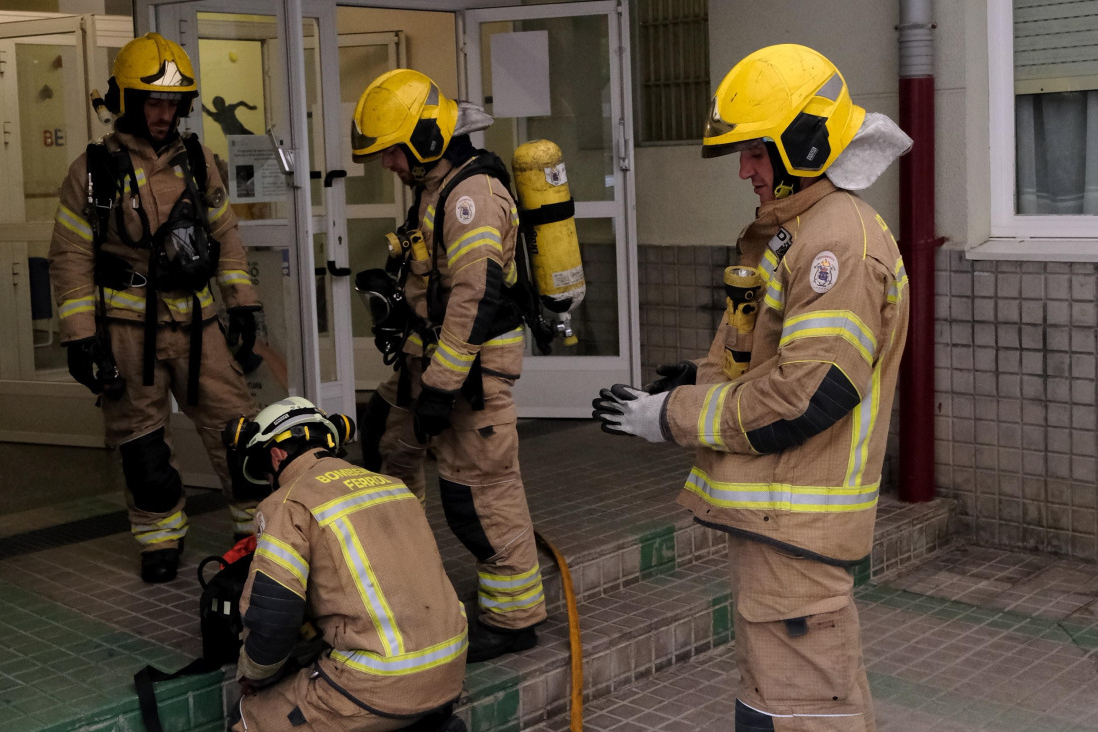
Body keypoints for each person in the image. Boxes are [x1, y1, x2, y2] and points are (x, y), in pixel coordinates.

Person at [592, 44, 913, 731]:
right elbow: (781, 360)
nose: (745, 171)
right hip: (783, 525)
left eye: (756, 152)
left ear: (804, 144)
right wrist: (694, 379)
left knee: (798, 714)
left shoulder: (836, 245)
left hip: (796, 527)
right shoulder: (806, 232)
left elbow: (808, 395)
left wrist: (671, 415)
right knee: (793, 706)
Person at [49, 32, 267, 584]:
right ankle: (160, 538)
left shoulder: (198, 160)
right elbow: (71, 256)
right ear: (126, 101)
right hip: (128, 331)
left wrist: (243, 305)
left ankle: (259, 531)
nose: (165, 114)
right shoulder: (92, 171)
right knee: (141, 444)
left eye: (173, 103)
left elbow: (226, 234)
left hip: (200, 326)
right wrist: (80, 336)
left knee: (239, 431)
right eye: (153, 102)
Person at [350, 69, 546, 662]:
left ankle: (513, 619)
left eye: (392, 152)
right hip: (430, 361)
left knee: (478, 495)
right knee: (386, 440)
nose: (388, 164)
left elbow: (475, 297)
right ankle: (403, 573)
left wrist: (439, 388)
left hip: (470, 374)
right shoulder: (437, 187)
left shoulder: (471, 197)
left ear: (426, 139)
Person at [224, 397, 467, 731]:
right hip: (451, 665)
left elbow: (272, 622)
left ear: (276, 456)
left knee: (247, 718)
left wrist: (253, 673)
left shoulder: (286, 503)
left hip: (377, 682)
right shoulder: (393, 487)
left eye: (266, 471)